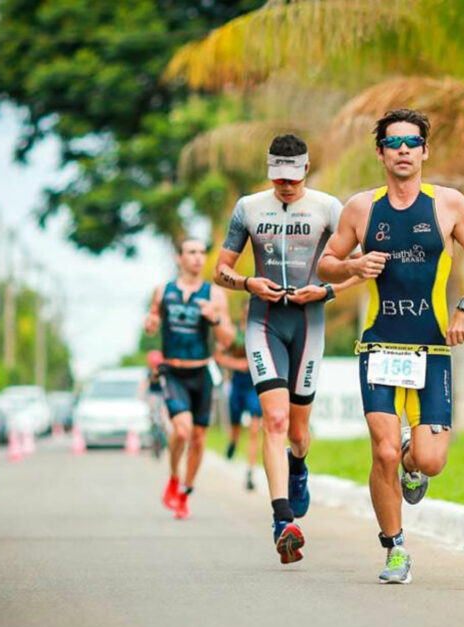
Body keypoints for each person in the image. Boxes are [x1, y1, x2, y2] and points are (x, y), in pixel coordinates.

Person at [317, 109, 464, 584]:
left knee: (430, 460)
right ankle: (395, 549)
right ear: (379, 152)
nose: (403, 150)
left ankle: (413, 466)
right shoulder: (361, 208)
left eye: (411, 142)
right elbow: (326, 264)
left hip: (432, 349)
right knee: (383, 453)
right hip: (380, 347)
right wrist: (354, 266)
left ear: (424, 151)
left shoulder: (449, 205)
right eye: (393, 142)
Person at [214, 134, 361, 564]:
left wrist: (327, 292)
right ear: (269, 171)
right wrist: (246, 283)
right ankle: (283, 521)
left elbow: (363, 264)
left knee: (298, 433)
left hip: (308, 323)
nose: (286, 186)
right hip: (263, 322)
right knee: (273, 419)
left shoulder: (329, 208)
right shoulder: (248, 208)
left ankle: (299, 466)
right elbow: (222, 268)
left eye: (292, 179)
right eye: (278, 178)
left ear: (306, 170)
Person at [144, 238, 234, 520]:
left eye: (201, 253)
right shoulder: (163, 291)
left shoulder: (215, 295)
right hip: (172, 371)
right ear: (179, 258)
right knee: (181, 431)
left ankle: (185, 491)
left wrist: (214, 320)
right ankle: (173, 476)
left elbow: (228, 339)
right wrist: (150, 324)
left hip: (201, 372)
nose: (197, 258)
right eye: (191, 252)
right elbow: (151, 323)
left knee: (197, 437)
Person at [214, 301, 263, 491]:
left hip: (255, 385)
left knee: (254, 428)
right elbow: (218, 356)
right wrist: (239, 364)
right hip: (238, 384)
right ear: (243, 314)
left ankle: (250, 471)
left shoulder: (263, 333)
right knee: (235, 428)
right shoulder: (233, 334)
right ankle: (232, 443)